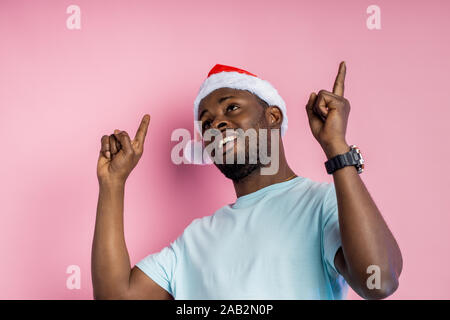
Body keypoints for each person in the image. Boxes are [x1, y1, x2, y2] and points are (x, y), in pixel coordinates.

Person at [92, 62, 402, 300]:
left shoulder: (322, 203)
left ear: (273, 117)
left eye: (232, 107)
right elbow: (117, 295)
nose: (217, 123)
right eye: (206, 122)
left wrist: (337, 147)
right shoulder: (193, 240)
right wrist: (112, 185)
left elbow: (379, 281)